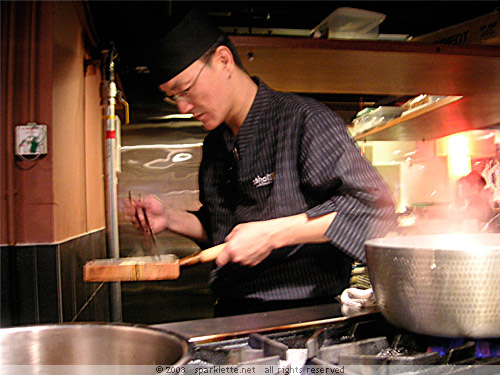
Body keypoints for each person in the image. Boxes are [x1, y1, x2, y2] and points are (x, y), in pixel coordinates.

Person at [125, 8, 396, 317]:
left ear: (223, 60)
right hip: (232, 314)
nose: (184, 107)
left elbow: (374, 209)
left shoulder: (303, 120)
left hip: (303, 317)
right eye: (172, 97)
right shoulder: (216, 143)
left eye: (185, 90)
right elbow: (224, 233)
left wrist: (273, 234)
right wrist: (170, 219)